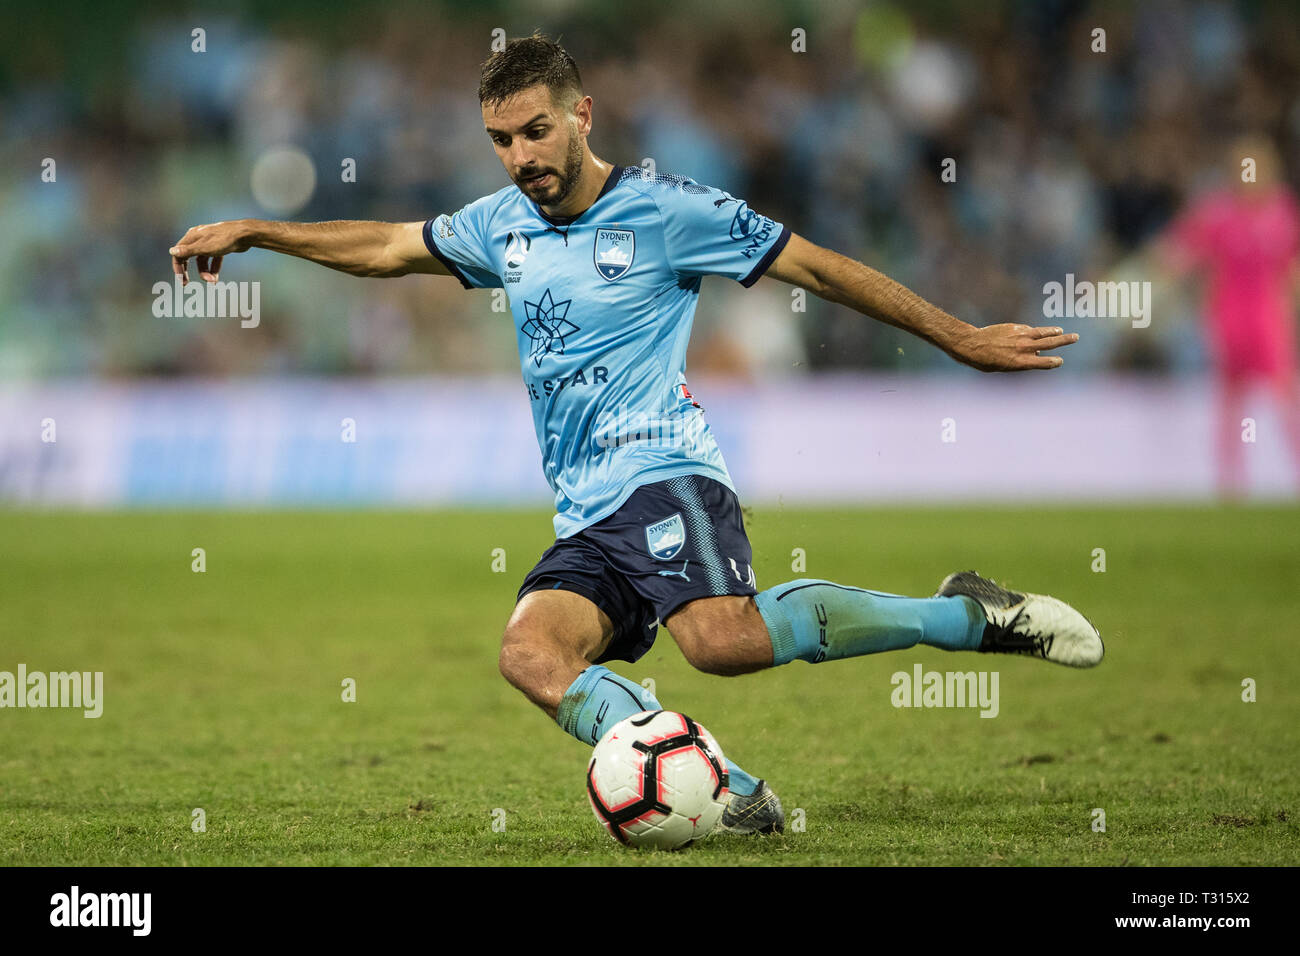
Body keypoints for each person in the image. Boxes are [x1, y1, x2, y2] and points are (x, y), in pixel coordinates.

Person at [169, 33, 1101, 835]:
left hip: (668, 471)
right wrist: (259, 229)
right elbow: (384, 248)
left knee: (720, 644)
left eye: (536, 130)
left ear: (582, 114)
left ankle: (964, 616)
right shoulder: (500, 225)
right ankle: (725, 791)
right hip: (588, 510)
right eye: (499, 139)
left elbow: (817, 270)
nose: (520, 156)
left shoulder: (668, 210)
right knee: (530, 655)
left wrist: (960, 336)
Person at [1159, 135, 1300, 498]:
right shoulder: (1219, 214)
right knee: (1230, 403)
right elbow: (1179, 253)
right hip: (1229, 320)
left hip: (1268, 321)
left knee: (1285, 402)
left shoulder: (1282, 213)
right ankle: (1230, 484)